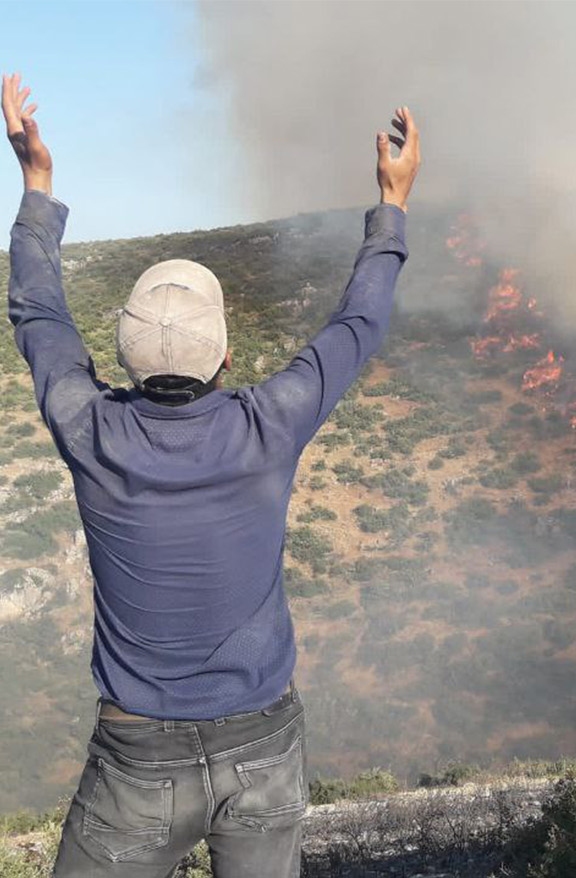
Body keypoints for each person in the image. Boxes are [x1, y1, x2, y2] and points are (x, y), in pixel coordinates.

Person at [3, 72, 421, 876]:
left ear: (120, 359)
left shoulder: (90, 427)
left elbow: (39, 314)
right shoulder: (269, 423)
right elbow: (359, 322)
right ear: (227, 359)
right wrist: (391, 203)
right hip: (263, 742)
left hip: (134, 760)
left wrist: (37, 183)